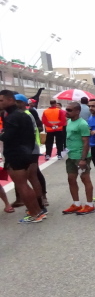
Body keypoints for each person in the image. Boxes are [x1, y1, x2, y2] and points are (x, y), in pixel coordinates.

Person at [0, 90, 45, 223]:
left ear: (10, 100)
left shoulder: (13, 117)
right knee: (25, 184)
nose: (0, 103)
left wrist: (2, 134)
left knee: (22, 186)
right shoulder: (23, 114)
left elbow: (7, 137)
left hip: (16, 154)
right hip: (26, 152)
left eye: (1, 100)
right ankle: (37, 211)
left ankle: (35, 214)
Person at [60, 102, 95, 215]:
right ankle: (76, 203)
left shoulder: (82, 124)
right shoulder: (69, 121)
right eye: (66, 109)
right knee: (71, 179)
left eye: (69, 110)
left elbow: (86, 143)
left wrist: (83, 159)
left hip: (80, 156)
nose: (67, 112)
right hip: (71, 156)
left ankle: (90, 205)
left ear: (77, 111)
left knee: (85, 179)